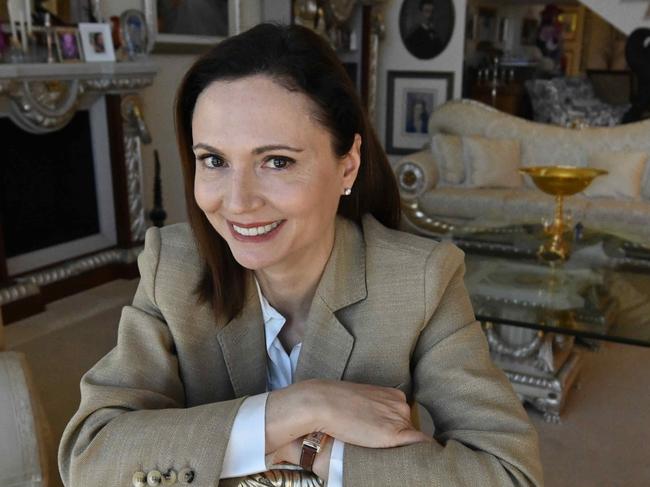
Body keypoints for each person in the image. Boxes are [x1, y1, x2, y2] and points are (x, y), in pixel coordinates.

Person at [58, 23, 543, 486]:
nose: (239, 201)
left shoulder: (420, 279)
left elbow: (508, 473)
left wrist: (319, 456)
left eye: (277, 161)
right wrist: (299, 408)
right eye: (215, 160)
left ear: (347, 166)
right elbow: (90, 455)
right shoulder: (175, 265)